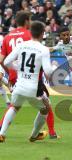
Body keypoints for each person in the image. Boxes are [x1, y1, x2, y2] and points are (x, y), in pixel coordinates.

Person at [0, 11, 58, 139]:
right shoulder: (43, 49)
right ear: (43, 33)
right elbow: (48, 71)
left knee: (14, 107)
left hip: (18, 85)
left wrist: (19, 68)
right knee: (45, 108)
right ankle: (34, 135)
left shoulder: (21, 45)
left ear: (31, 32)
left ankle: (1, 134)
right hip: (32, 87)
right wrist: (54, 66)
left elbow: (6, 61)